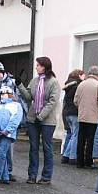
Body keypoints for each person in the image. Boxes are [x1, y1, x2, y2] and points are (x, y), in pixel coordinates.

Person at [19, 56, 60, 184]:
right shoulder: (35, 80)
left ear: (44, 66)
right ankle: (32, 175)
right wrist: (19, 85)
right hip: (33, 119)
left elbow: (52, 101)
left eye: (38, 65)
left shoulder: (53, 82)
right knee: (33, 147)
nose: (36, 67)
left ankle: (46, 176)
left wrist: (41, 116)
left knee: (47, 147)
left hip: (47, 120)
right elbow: (28, 97)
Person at [0, 61, 22, 180]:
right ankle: (4, 174)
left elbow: (18, 100)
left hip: (9, 122)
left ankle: (7, 172)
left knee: (7, 151)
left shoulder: (12, 83)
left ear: (3, 72)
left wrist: (17, 123)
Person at [74, 66, 98, 169]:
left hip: (82, 116)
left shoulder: (81, 84)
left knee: (81, 139)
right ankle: (88, 161)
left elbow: (75, 101)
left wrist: (81, 108)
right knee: (91, 140)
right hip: (94, 117)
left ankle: (79, 161)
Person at [61, 70, 82, 164]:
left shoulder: (68, 85)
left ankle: (65, 155)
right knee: (75, 135)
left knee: (71, 134)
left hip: (67, 112)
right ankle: (72, 157)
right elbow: (77, 100)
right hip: (74, 112)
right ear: (79, 76)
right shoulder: (77, 86)